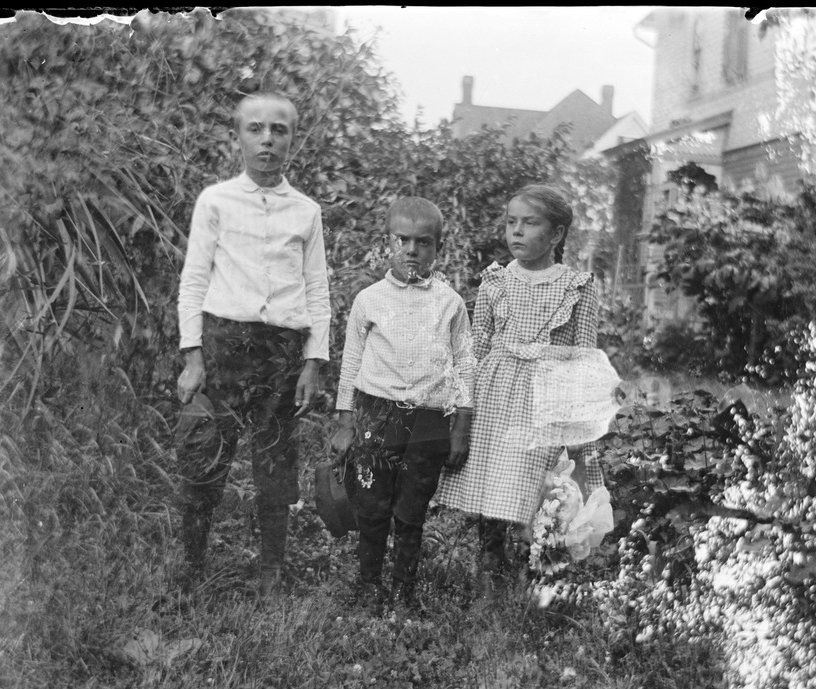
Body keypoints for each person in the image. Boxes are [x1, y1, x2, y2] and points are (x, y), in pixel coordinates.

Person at [175, 91, 331, 598]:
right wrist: (192, 355)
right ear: (237, 137)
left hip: (281, 352)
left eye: (279, 130)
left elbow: (317, 290)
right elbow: (194, 280)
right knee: (203, 457)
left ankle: (271, 573)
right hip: (223, 345)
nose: (267, 139)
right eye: (256, 129)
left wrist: (313, 361)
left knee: (274, 464)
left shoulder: (306, 212)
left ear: (292, 139)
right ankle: (192, 568)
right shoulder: (216, 201)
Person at [435, 184, 605, 586]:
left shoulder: (577, 286)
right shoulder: (495, 281)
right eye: (511, 223)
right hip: (496, 394)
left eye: (530, 223)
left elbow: (584, 357)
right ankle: (490, 561)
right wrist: (463, 404)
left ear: (557, 234)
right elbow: (474, 348)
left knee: (537, 479)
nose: (517, 232)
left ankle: (539, 562)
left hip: (545, 400)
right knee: (494, 477)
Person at [331, 197, 474, 612]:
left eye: (423, 242)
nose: (411, 250)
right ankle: (368, 585)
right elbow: (352, 362)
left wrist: (460, 427)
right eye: (402, 240)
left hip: (429, 419)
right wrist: (345, 423)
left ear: (437, 249)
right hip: (376, 414)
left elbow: (465, 363)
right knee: (372, 507)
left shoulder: (450, 303)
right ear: (387, 243)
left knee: (412, 510)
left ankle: (403, 591)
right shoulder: (369, 300)